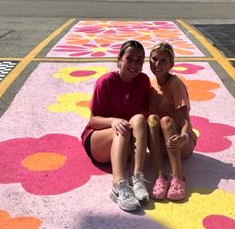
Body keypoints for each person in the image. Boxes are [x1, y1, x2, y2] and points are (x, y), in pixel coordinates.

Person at [81, 40, 151, 212]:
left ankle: (137, 177)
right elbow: (93, 121)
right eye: (130, 58)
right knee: (122, 128)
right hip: (99, 142)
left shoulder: (143, 81)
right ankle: (118, 184)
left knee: (139, 119)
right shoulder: (106, 81)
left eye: (139, 60)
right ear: (120, 59)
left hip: (124, 143)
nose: (134, 64)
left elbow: (144, 115)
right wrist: (113, 121)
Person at [147, 42, 197, 201]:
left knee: (167, 120)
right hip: (162, 146)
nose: (157, 64)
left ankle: (178, 178)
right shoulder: (150, 83)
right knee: (152, 119)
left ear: (171, 64)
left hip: (180, 142)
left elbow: (185, 121)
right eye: (154, 59)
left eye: (163, 61)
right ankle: (160, 176)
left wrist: (183, 136)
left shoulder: (175, 83)